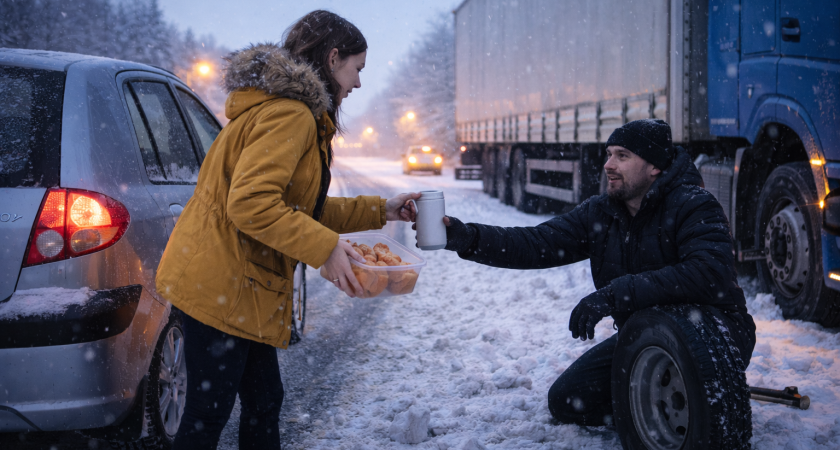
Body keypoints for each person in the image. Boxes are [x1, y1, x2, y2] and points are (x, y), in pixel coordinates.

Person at [155, 11, 418, 449]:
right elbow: (251, 204)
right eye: (357, 69)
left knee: (263, 401)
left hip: (239, 286)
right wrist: (326, 249)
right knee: (208, 413)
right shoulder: (292, 115)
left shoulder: (296, 114)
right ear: (333, 58)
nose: (357, 83)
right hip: (223, 283)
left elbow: (301, 208)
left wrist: (381, 208)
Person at [440, 119, 756, 426]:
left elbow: (707, 273)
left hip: (714, 334)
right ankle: (646, 404)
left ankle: (682, 398)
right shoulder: (601, 213)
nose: (608, 164)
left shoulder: (694, 205)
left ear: (654, 167)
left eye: (622, 156)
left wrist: (615, 294)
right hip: (645, 337)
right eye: (608, 154)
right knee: (567, 400)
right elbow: (535, 243)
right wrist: (465, 237)